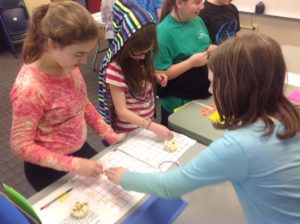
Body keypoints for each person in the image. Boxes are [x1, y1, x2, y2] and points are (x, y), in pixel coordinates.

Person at [105, 33, 300, 223]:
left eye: (213, 83)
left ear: (235, 87)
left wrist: (125, 177)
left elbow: (169, 186)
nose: (209, 90)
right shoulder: (290, 115)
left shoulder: (238, 147)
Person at [10, 1, 125, 192]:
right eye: (79, 54)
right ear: (53, 44)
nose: (84, 61)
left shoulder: (69, 66)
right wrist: (74, 165)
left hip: (78, 148)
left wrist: (108, 133)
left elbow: (82, 104)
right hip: (47, 167)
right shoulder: (29, 88)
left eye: (87, 54)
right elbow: (21, 145)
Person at [98, 0, 172, 139]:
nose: (143, 57)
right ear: (124, 44)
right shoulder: (115, 69)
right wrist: (152, 126)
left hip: (144, 126)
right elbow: (122, 111)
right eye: (138, 53)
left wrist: (154, 76)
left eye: (147, 52)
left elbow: (141, 75)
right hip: (128, 132)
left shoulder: (141, 59)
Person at [155, 0, 217, 126]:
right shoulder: (163, 32)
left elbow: (205, 45)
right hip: (179, 101)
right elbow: (160, 74)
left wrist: (210, 50)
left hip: (202, 95)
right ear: (179, 3)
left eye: (202, 2)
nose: (202, 7)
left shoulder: (197, 21)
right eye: (197, 2)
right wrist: (190, 63)